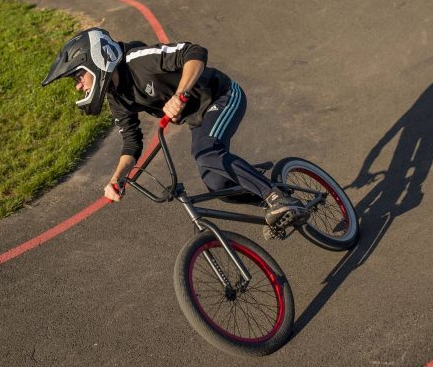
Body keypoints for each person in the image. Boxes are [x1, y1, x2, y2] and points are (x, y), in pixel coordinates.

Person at [41, 27, 308, 227]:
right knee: (217, 183)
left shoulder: (138, 60)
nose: (79, 85)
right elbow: (132, 143)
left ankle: (276, 197)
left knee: (207, 153)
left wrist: (180, 94)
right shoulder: (117, 98)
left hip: (222, 96)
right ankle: (282, 205)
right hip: (199, 119)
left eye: (79, 76)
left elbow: (194, 52)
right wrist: (116, 178)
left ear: (97, 61)